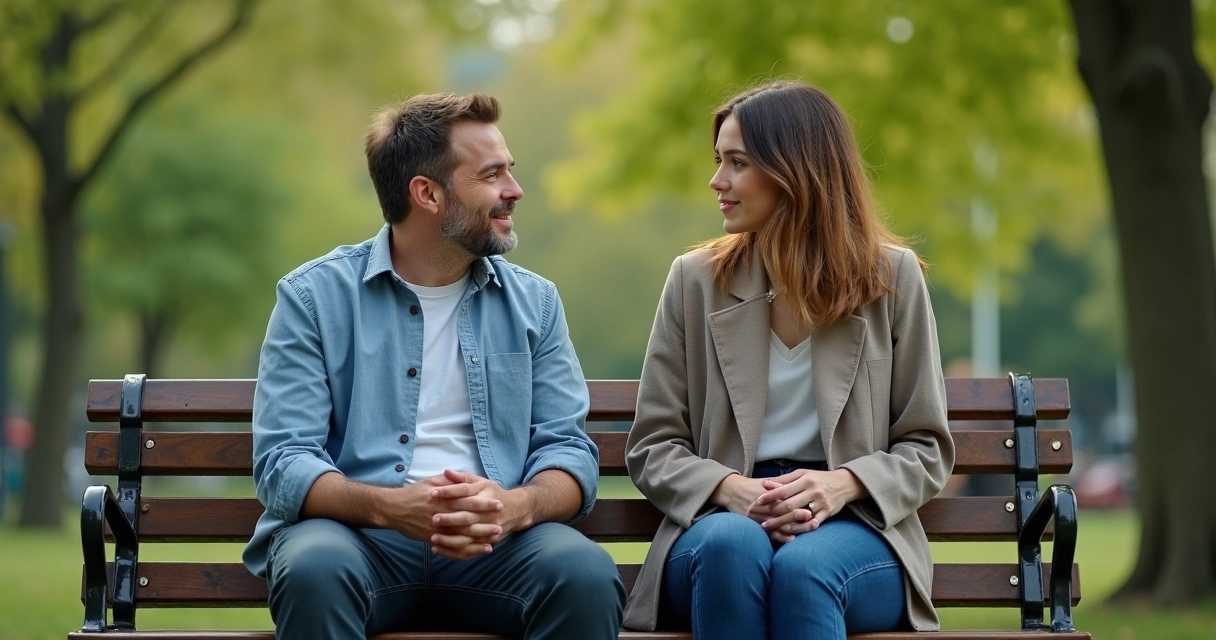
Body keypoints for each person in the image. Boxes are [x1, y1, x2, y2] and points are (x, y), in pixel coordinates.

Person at [244, 92, 624, 640]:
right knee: (312, 568)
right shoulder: (313, 297)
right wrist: (391, 508)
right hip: (359, 541)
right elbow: (284, 460)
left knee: (584, 574)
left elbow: (567, 450)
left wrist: (514, 506)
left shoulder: (535, 303)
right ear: (426, 193)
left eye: (509, 172)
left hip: (499, 543)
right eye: (492, 175)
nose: (514, 191)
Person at [622, 81, 956, 639]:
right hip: (718, 523)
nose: (717, 181)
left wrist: (843, 484)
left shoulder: (891, 280)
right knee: (734, 545)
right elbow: (653, 445)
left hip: (856, 524)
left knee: (805, 570)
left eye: (737, 163)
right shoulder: (695, 281)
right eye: (718, 161)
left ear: (794, 172)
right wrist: (731, 489)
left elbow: (926, 447)